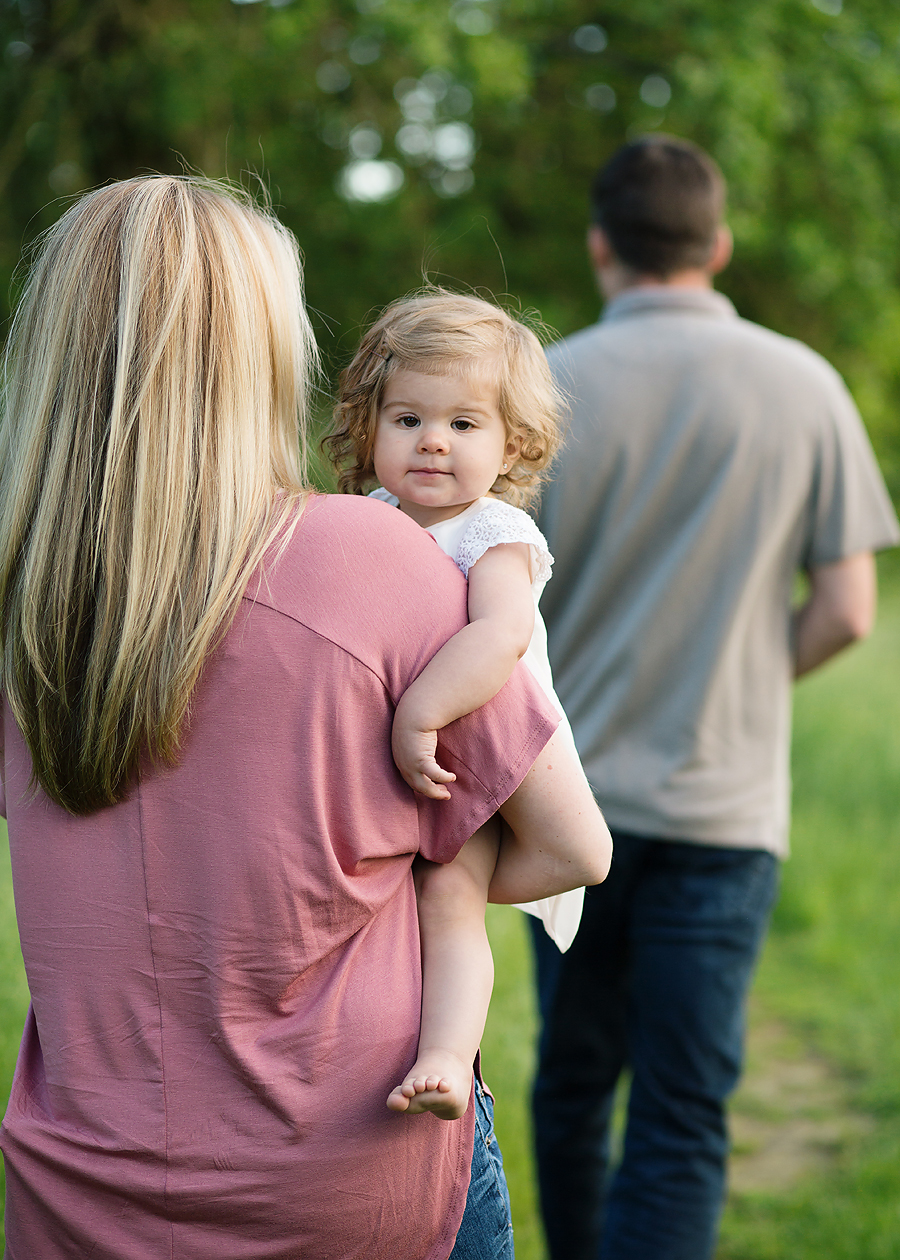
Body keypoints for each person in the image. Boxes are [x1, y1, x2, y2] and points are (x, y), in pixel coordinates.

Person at [0, 176, 611, 1260]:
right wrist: (420, 877)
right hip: (351, 1180)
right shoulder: (370, 561)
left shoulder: (26, 598)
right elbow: (574, 846)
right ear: (259, 360)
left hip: (80, 1191)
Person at [528, 136, 900, 1260]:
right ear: (719, 245)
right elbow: (846, 607)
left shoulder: (541, 389)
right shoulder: (806, 385)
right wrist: (742, 683)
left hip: (566, 805)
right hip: (726, 813)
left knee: (576, 1081)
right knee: (684, 1109)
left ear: (602, 244)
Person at [327, 292, 604, 1124]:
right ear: (369, 426)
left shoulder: (492, 533)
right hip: (384, 771)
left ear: (512, 442)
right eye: (407, 418)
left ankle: (446, 1058)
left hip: (479, 771)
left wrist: (417, 715)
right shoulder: (365, 518)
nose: (433, 441)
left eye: (463, 424)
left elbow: (501, 636)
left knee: (449, 902)